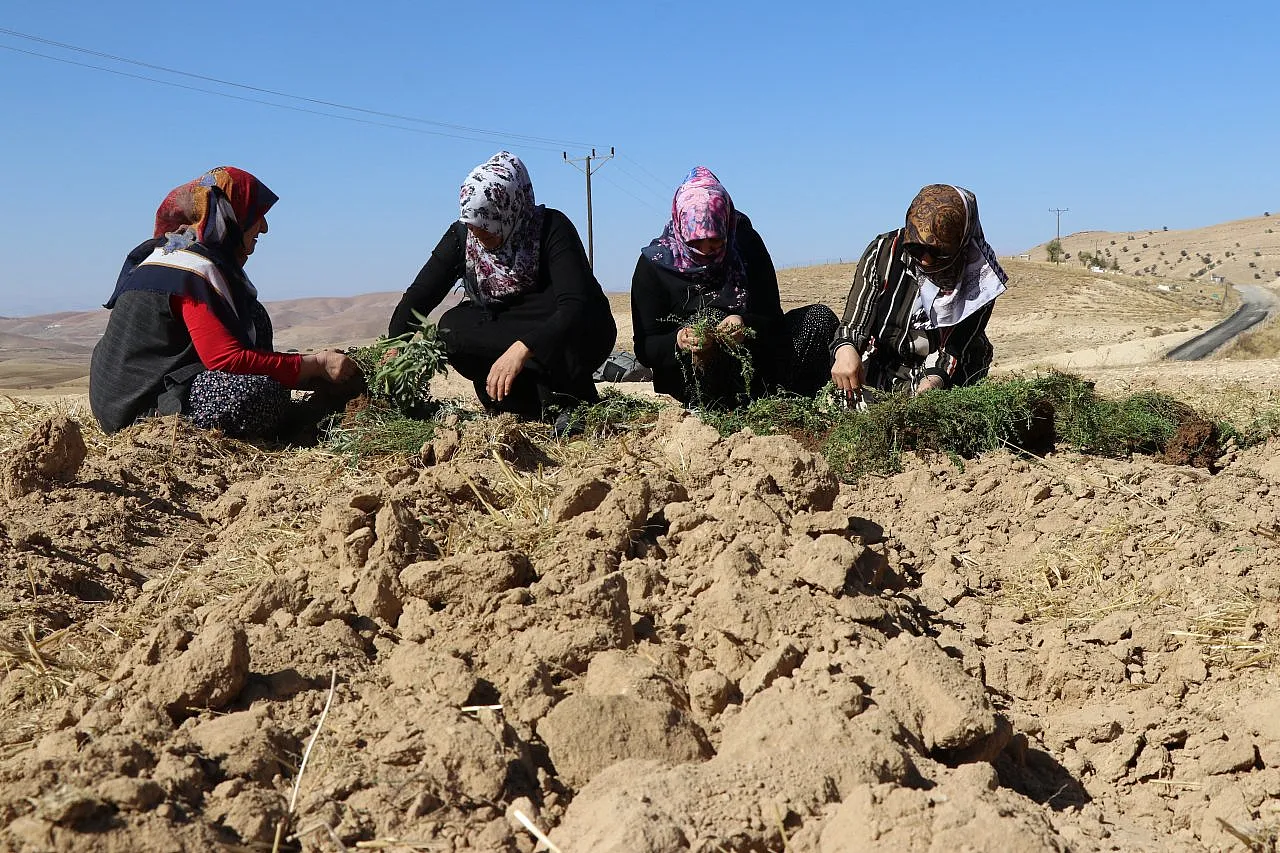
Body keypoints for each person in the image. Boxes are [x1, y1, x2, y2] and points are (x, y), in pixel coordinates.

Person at [89, 167, 358, 437]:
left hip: (139, 394)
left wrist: (309, 374)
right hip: (139, 411)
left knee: (254, 318)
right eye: (256, 215)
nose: (264, 228)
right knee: (257, 394)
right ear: (231, 216)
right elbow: (225, 359)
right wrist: (315, 365)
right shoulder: (188, 268)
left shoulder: (179, 253)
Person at [388, 151, 616, 424]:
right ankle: (520, 402)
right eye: (473, 227)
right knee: (452, 326)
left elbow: (575, 305)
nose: (480, 236)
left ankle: (569, 398)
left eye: (487, 226)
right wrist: (394, 345)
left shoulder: (552, 228)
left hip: (571, 334)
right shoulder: (465, 236)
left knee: (568, 312)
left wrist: (522, 347)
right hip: (509, 329)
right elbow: (421, 294)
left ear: (510, 209)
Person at [631, 166, 838, 408]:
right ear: (681, 228)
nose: (707, 249)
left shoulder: (746, 244)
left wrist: (744, 323)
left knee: (818, 318)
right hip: (691, 384)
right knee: (707, 317)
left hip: (758, 371)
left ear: (727, 226)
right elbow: (646, 348)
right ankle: (712, 411)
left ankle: (794, 408)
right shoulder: (654, 265)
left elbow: (772, 319)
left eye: (716, 240)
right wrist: (679, 341)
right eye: (696, 241)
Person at [830, 184, 1007, 400]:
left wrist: (935, 379)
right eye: (916, 248)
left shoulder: (980, 278)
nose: (924, 260)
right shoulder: (883, 253)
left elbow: (956, 347)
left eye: (937, 251)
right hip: (886, 366)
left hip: (945, 370)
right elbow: (854, 325)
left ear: (960, 243)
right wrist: (846, 349)